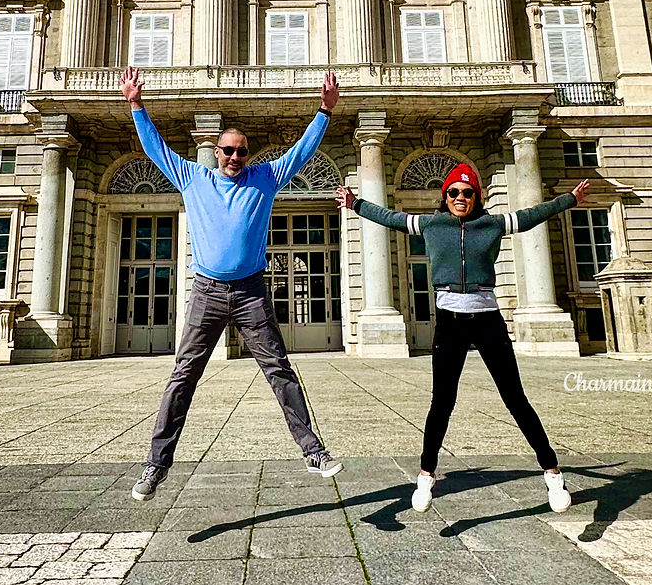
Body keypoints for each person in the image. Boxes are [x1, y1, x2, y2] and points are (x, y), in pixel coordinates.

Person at [121, 65, 344, 501]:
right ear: (217, 151)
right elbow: (155, 148)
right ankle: (156, 465)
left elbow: (301, 152)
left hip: (251, 293)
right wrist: (135, 105)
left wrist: (325, 111)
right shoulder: (193, 177)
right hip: (207, 291)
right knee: (183, 375)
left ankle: (312, 451)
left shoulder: (266, 177)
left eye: (241, 152)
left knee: (279, 370)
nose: (233, 158)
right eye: (227, 151)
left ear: (249, 154)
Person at [337, 164, 589, 515]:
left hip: (487, 321)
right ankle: (426, 474)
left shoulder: (492, 224)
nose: (460, 198)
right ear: (445, 197)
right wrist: (356, 204)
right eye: (453, 192)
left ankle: (552, 473)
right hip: (450, 322)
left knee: (515, 398)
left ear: (477, 197)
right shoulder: (431, 224)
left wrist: (569, 200)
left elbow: (532, 215)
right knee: (442, 401)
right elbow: (391, 217)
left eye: (467, 193)